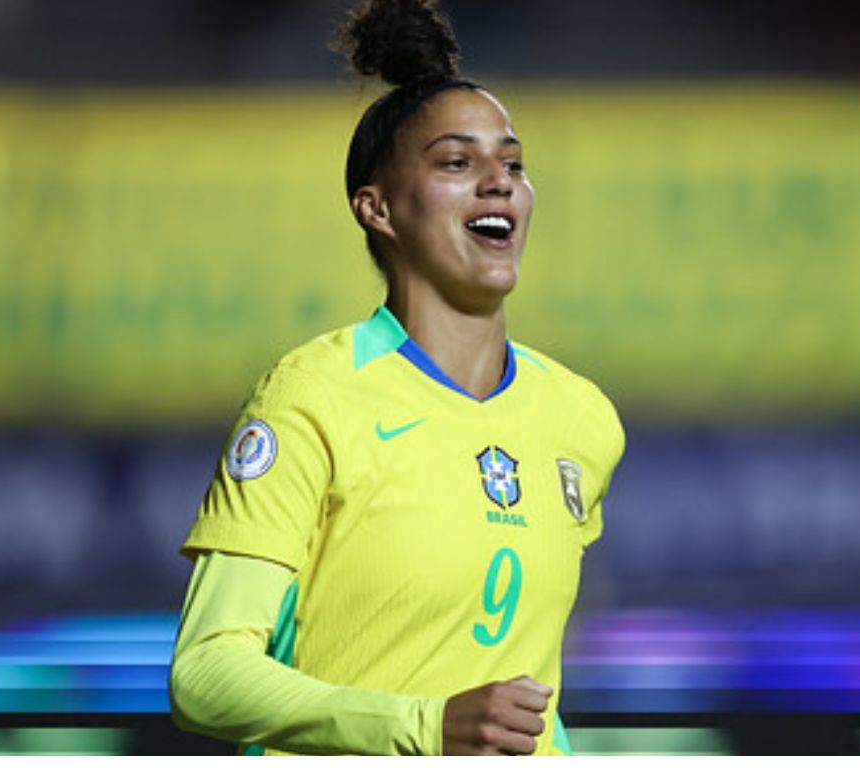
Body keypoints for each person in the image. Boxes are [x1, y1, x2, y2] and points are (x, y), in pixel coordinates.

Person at [168, 0, 624, 756]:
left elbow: (531, 698)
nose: (499, 183)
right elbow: (205, 674)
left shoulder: (581, 418)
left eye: (513, 164)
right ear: (376, 208)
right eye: (457, 163)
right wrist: (423, 727)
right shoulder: (312, 396)